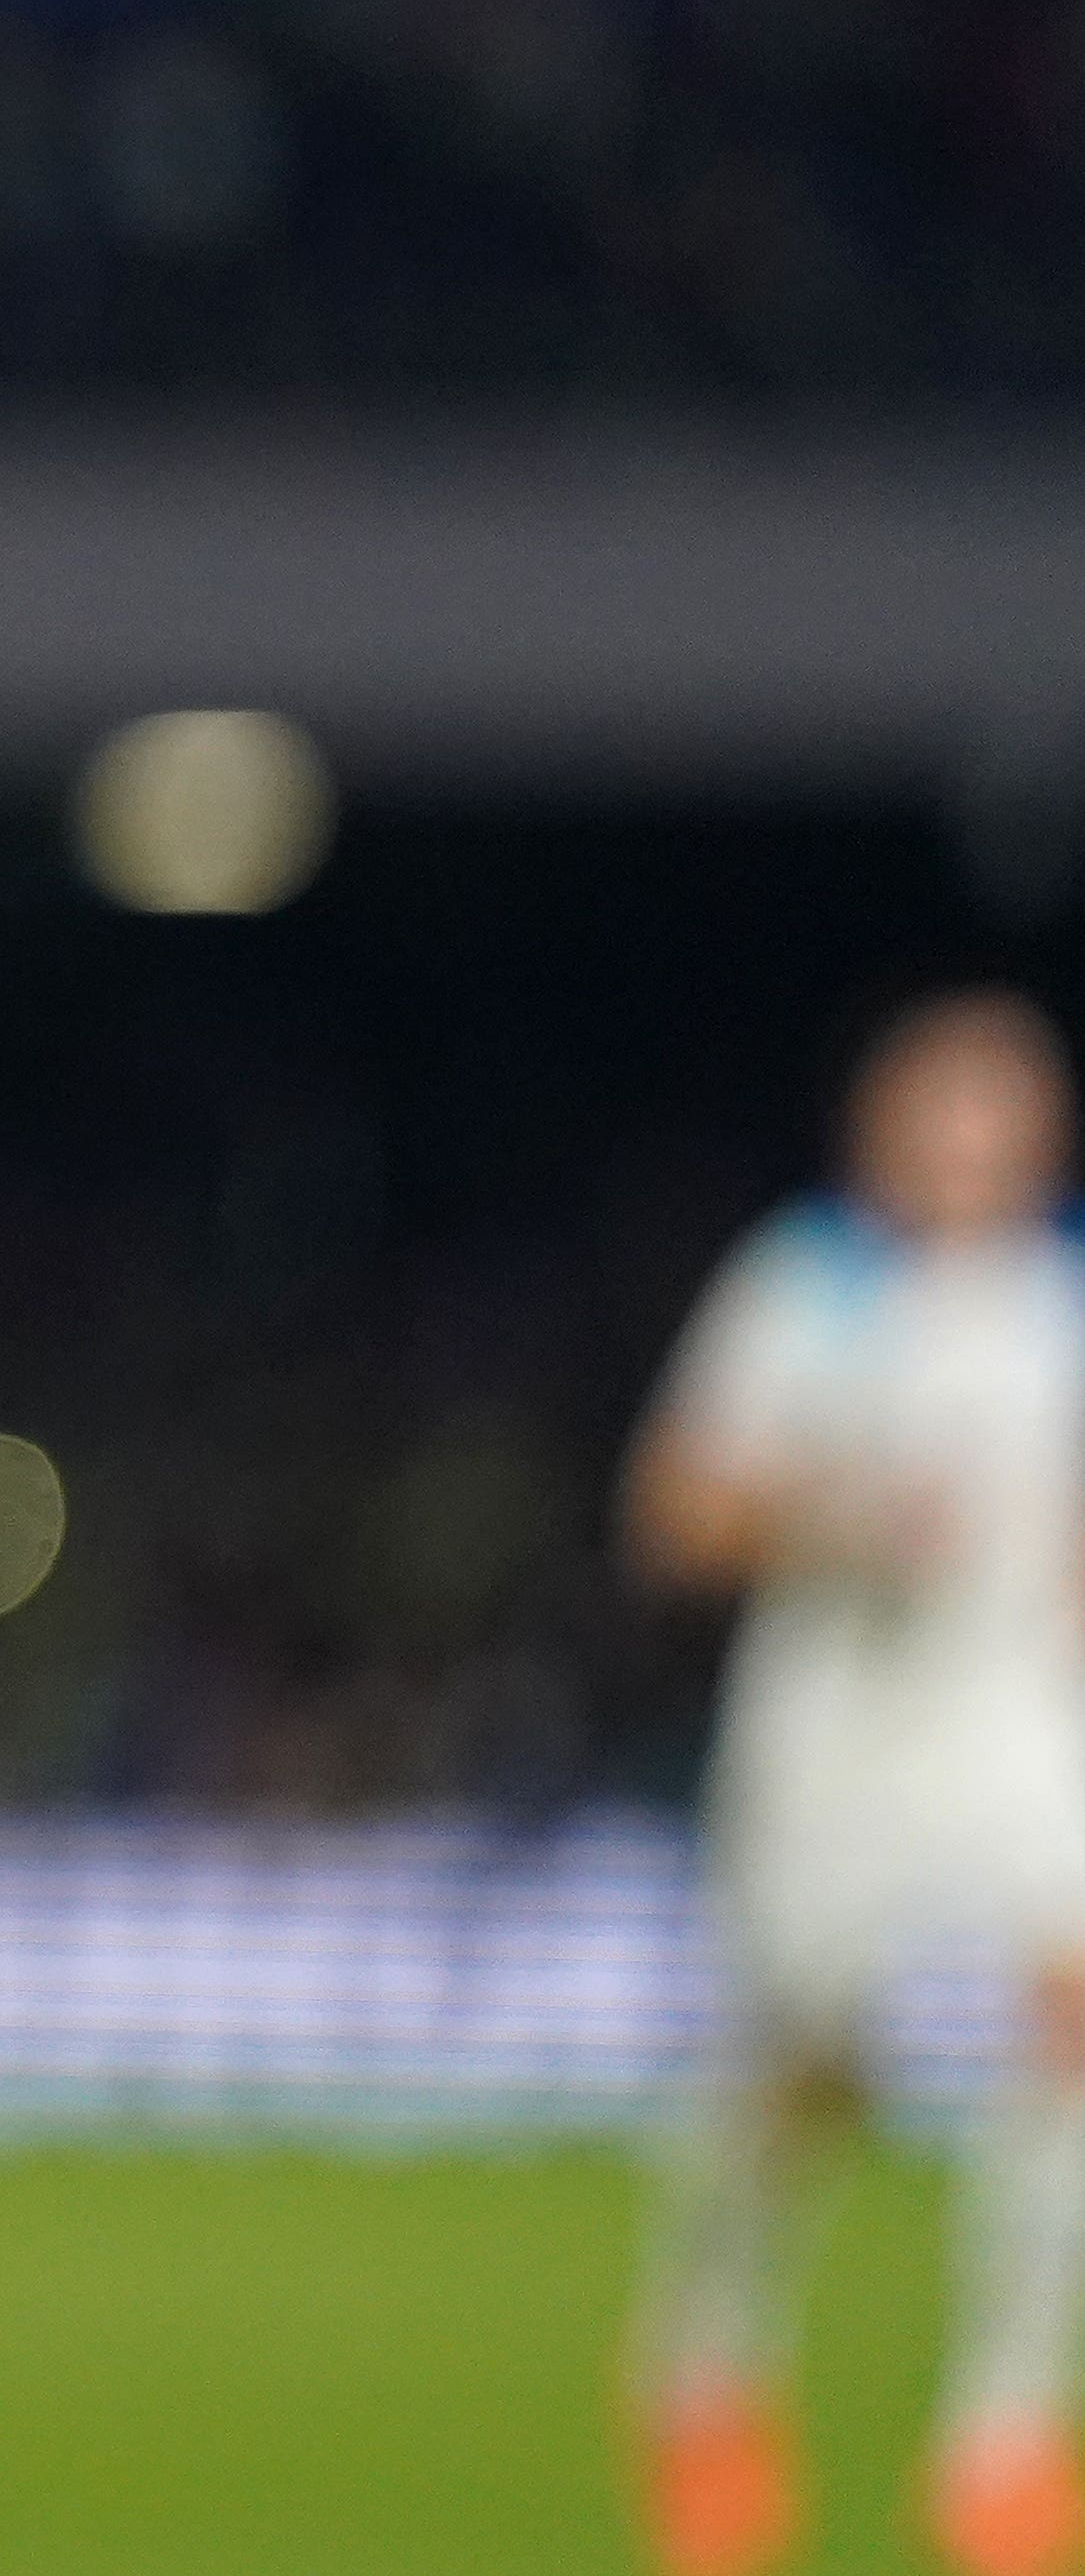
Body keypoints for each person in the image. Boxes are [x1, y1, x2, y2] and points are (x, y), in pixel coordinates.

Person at [635, 989, 1085, 2576]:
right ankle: (702, 2360)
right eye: (941, 1112)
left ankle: (1007, 2436)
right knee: (807, 2069)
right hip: (830, 1722)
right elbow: (675, 1506)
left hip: (1012, 1712)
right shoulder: (799, 1288)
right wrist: (822, 1518)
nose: (971, 1146)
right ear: (883, 1130)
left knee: (1069, 2007)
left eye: (999, 1112)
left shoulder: (1064, 1301)